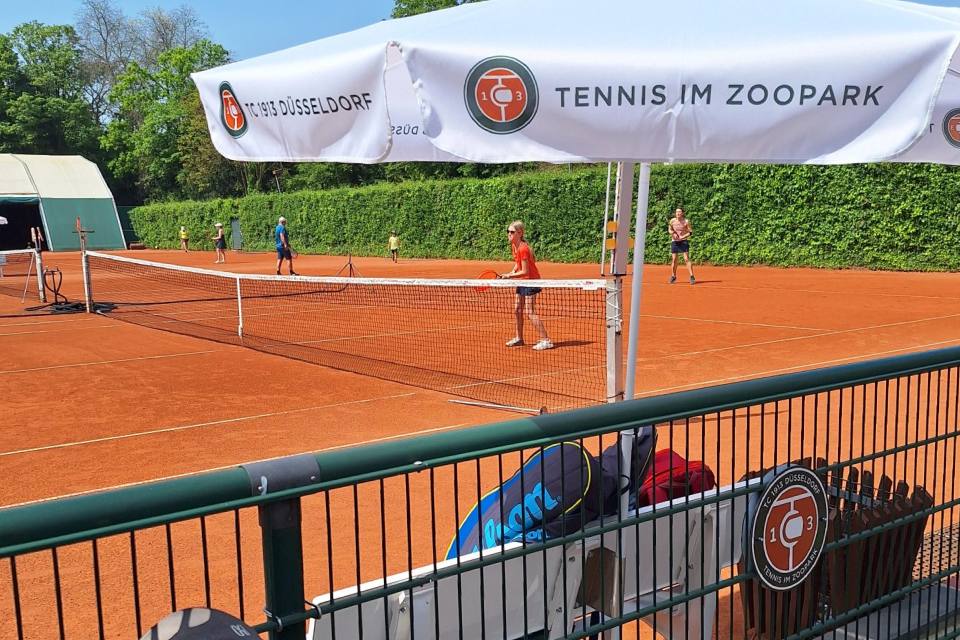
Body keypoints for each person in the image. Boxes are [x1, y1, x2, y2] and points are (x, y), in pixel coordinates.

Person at [499, 220, 554, 351]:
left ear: (520, 233)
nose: (509, 234)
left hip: (531, 281)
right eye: (508, 232)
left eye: (512, 232)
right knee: (517, 310)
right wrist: (512, 271)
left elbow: (525, 271)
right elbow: (518, 264)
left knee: (530, 311)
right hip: (522, 281)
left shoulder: (523, 248)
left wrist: (509, 276)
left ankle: (546, 340)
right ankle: (519, 338)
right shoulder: (514, 246)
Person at [668, 207, 696, 284]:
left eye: (680, 212)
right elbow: (669, 229)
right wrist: (673, 233)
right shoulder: (672, 221)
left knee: (686, 258)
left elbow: (690, 232)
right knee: (674, 259)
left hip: (683, 241)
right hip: (674, 242)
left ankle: (692, 276)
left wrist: (683, 237)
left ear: (682, 213)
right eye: (677, 212)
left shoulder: (686, 221)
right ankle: (673, 276)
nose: (678, 213)